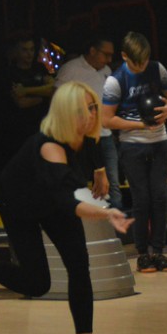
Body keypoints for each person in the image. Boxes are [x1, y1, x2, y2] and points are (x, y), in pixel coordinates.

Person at [0, 81, 132, 334]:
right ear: (67, 113)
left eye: (93, 107)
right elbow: (68, 201)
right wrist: (106, 213)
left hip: (52, 201)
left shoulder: (84, 134)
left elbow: (93, 145)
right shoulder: (50, 146)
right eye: (85, 109)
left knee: (79, 264)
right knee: (37, 283)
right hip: (19, 205)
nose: (92, 114)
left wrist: (99, 169)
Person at [102, 32, 167, 273]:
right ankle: (142, 254)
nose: (142, 66)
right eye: (137, 62)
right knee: (141, 201)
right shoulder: (115, 81)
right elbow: (107, 120)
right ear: (124, 56)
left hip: (160, 142)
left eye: (145, 61)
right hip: (132, 145)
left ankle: (158, 252)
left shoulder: (158, 69)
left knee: (160, 197)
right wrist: (141, 125)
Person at [54, 36, 121, 210]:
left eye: (111, 55)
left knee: (113, 183)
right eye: (106, 54)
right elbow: (58, 100)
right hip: (81, 137)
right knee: (81, 181)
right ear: (92, 51)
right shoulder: (70, 69)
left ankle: (116, 219)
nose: (109, 59)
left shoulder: (106, 70)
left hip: (105, 135)